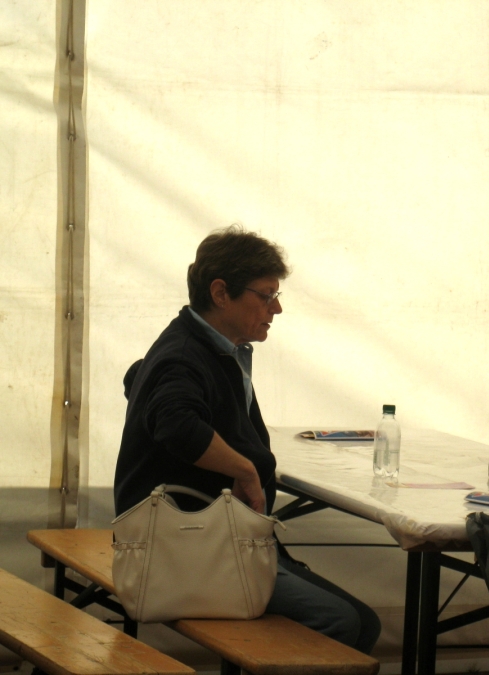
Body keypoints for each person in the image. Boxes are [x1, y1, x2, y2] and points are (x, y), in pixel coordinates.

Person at [113, 225, 381, 652]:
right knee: (341, 622)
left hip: (216, 541)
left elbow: (144, 388)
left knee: (365, 624)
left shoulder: (209, 348)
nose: (277, 308)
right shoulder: (185, 355)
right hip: (187, 550)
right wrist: (245, 470)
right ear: (221, 293)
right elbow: (174, 422)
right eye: (266, 295)